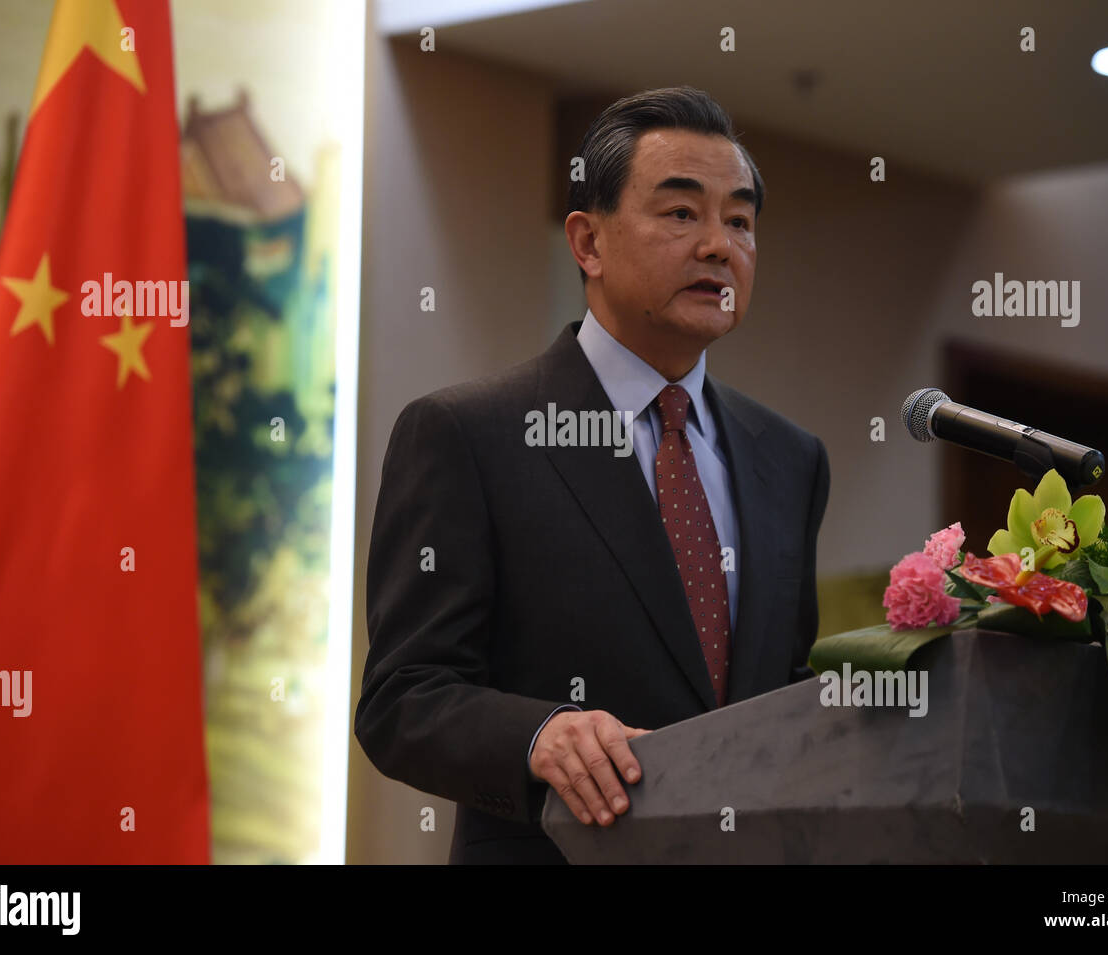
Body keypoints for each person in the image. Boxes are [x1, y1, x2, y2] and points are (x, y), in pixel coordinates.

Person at [355, 86, 830, 864]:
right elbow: (403, 697)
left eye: (739, 221)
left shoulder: (789, 456)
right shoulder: (469, 435)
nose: (719, 245)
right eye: (682, 214)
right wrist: (541, 733)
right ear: (588, 242)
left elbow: (778, 689)